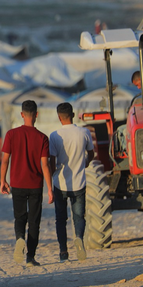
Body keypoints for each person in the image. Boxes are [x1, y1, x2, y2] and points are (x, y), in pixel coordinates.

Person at [0, 100, 53, 267]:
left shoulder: (11, 134)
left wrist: (3, 180)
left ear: (22, 114)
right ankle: (30, 257)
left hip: (17, 183)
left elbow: (5, 160)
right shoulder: (43, 138)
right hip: (36, 185)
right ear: (37, 115)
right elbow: (45, 164)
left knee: (19, 217)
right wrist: (50, 190)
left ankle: (19, 238)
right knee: (34, 221)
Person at [49, 103, 94, 262]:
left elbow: (52, 161)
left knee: (60, 219)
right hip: (79, 182)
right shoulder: (84, 132)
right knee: (79, 216)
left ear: (59, 117)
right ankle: (79, 239)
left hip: (60, 182)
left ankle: (63, 252)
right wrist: (85, 163)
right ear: (73, 115)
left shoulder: (54, 136)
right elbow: (91, 153)